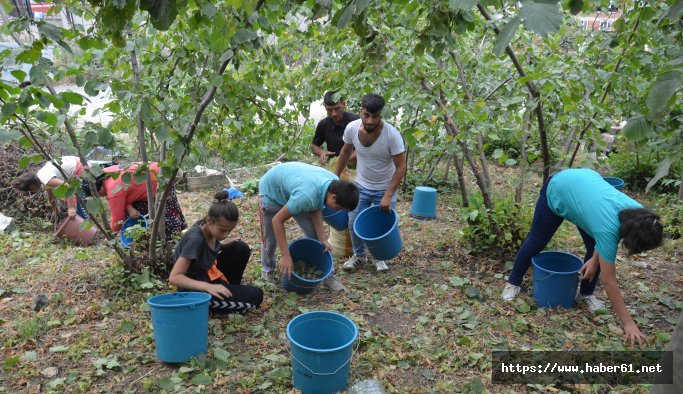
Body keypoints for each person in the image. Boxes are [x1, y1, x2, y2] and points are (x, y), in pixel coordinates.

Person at [501, 168, 663, 347]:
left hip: (584, 191)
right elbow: (610, 283)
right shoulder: (607, 229)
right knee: (536, 241)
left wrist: (594, 260)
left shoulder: (642, 215)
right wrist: (629, 324)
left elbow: (603, 240)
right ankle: (513, 283)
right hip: (559, 188)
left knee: (596, 251)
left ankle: (586, 294)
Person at [259, 162, 359, 292]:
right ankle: (267, 271)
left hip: (296, 190)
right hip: (271, 191)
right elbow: (277, 220)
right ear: (333, 197)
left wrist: (323, 239)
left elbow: (316, 207)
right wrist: (285, 255)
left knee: (316, 239)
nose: (339, 211)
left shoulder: (332, 184)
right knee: (270, 240)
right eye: (339, 208)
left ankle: (328, 277)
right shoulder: (306, 196)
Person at [334, 93, 407, 272]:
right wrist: (335, 178)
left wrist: (388, 195)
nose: (370, 121)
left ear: (381, 114)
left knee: (381, 224)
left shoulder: (392, 135)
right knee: (352, 222)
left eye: (375, 116)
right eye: (366, 115)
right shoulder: (351, 128)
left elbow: (401, 167)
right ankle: (359, 255)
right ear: (361, 111)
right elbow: (344, 152)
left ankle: (379, 258)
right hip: (361, 186)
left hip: (385, 188)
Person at [169, 190, 263, 314]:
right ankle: (222, 295)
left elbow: (205, 250)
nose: (225, 235)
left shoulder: (208, 228)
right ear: (209, 221)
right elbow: (174, 277)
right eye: (223, 230)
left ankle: (229, 289)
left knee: (240, 248)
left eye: (229, 231)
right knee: (256, 296)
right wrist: (208, 287)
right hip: (192, 291)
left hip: (207, 277)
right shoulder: (195, 239)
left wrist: (226, 244)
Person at [82, 162, 187, 242]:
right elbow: (127, 189)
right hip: (156, 171)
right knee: (138, 213)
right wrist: (130, 207)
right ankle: (148, 238)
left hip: (162, 180)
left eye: (97, 195)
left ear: (98, 190)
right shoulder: (107, 173)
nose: (100, 197)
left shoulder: (113, 190)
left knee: (165, 217)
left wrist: (109, 238)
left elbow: (117, 219)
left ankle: (170, 240)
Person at [12, 156, 90, 219]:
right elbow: (51, 197)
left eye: (31, 190)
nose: (32, 192)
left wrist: (71, 208)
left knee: (77, 201)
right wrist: (55, 210)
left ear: (32, 186)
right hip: (79, 165)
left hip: (82, 168)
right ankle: (84, 220)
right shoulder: (41, 177)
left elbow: (68, 187)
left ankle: (87, 226)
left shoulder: (45, 178)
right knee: (69, 199)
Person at [311, 90, 359, 165]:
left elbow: (367, 146)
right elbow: (314, 146)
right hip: (334, 164)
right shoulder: (323, 124)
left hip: (356, 164)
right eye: (329, 110)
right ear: (324, 106)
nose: (334, 114)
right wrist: (321, 152)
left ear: (344, 104)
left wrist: (346, 158)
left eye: (337, 109)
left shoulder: (356, 121)